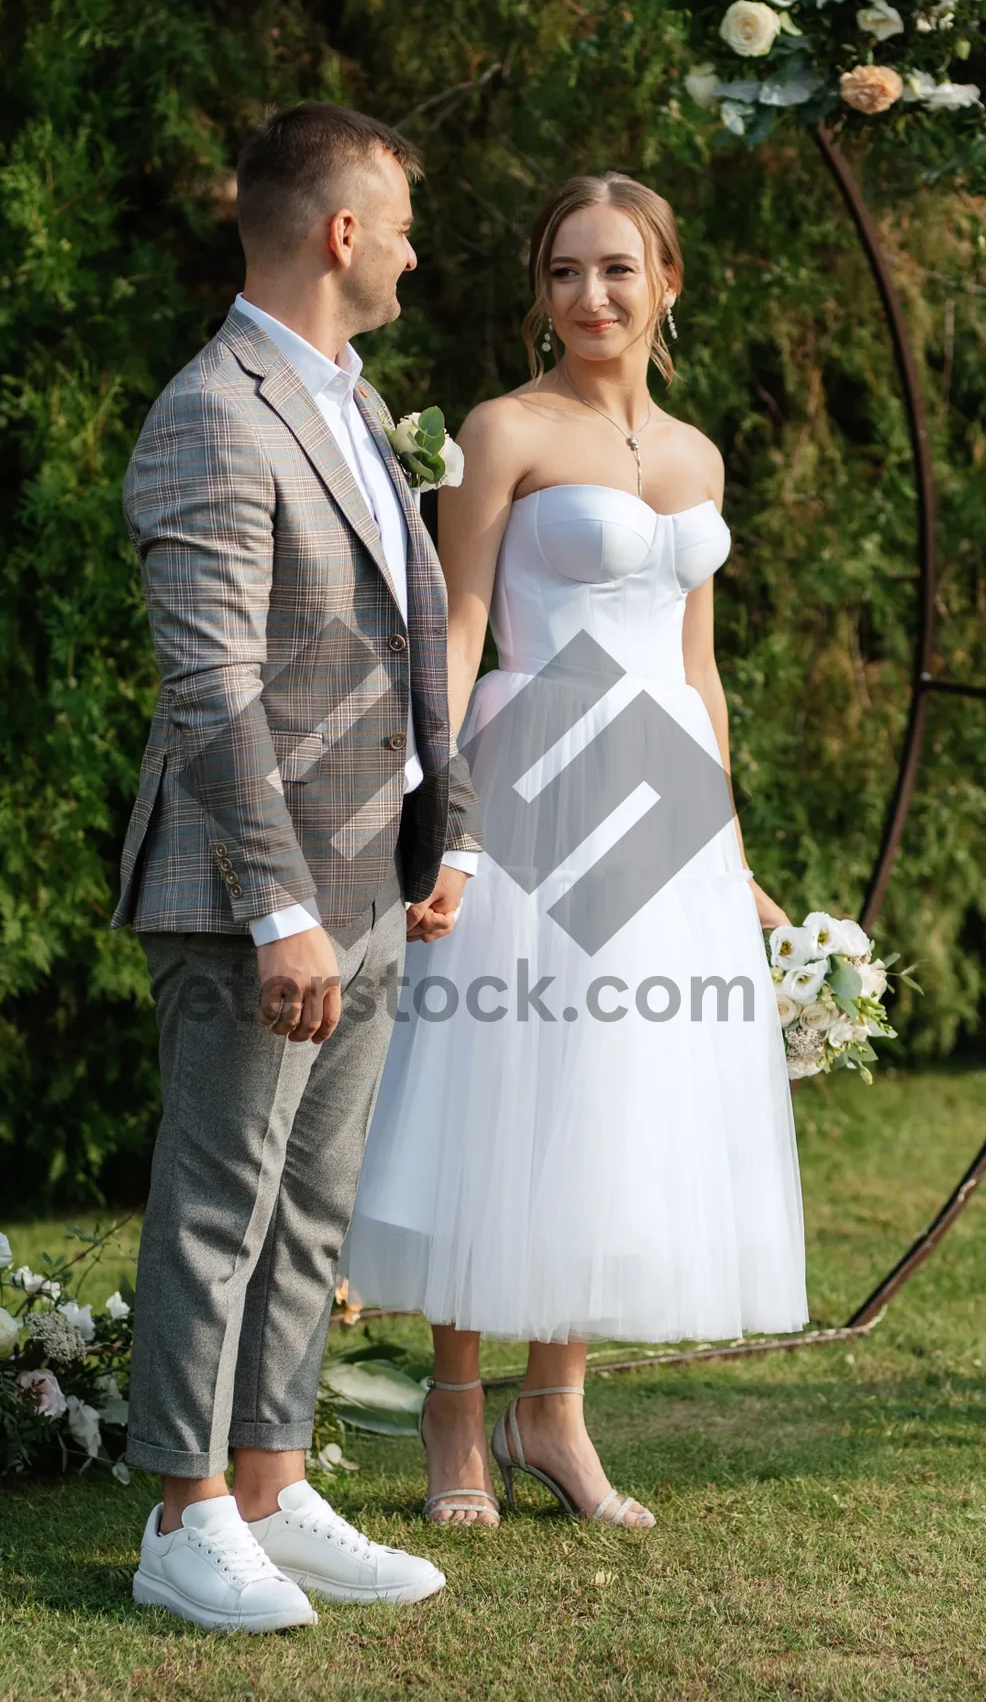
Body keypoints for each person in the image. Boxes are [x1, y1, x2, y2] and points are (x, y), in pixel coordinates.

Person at [343, 172, 808, 1531]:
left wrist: (727, 847)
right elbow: (461, 625)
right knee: (492, 1074)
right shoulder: (503, 430)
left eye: (616, 269)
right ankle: (452, 1420)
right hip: (528, 774)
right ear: (537, 290)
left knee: (609, 1093)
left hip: (658, 797)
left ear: (668, 281)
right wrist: (437, 814)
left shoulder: (700, 458)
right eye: (562, 272)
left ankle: (555, 1414)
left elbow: (699, 670)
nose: (588, 297)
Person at [113, 101, 483, 1631]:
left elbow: (398, 638)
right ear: (341, 233)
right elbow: (211, 688)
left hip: (366, 883)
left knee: (310, 1209)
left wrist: (436, 831)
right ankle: (180, 1514)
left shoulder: (349, 396)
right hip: (252, 899)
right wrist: (279, 912)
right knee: (220, 1206)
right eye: (398, 221)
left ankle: (270, 1481)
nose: (410, 246)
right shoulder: (216, 408)